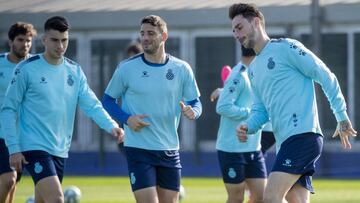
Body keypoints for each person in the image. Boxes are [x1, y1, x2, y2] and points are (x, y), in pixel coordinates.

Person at [230, 3, 357, 203]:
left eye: (239, 27)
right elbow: (261, 110)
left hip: (303, 135)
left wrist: (341, 115)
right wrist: (249, 126)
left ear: (256, 22)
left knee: (271, 196)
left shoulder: (286, 47)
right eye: (233, 30)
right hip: (285, 142)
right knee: (295, 199)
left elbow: (325, 76)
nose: (236, 35)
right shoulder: (253, 70)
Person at [0, 16, 124, 203]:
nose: (60, 45)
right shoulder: (26, 69)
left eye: (64, 40)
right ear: (44, 40)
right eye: (55, 40)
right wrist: (14, 148)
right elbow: (8, 109)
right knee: (57, 199)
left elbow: (91, 104)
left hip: (59, 148)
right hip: (33, 146)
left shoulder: (74, 71)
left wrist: (111, 125)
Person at [102, 15, 202, 203]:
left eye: (151, 33)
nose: (145, 38)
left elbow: (196, 103)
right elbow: (107, 100)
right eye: (142, 33)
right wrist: (127, 119)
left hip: (169, 149)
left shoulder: (182, 68)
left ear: (164, 36)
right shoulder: (126, 68)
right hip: (138, 149)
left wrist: (193, 111)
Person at [215, 45, 267, 203]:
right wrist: (251, 113)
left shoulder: (255, 74)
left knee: (260, 197)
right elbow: (222, 106)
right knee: (236, 198)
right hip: (232, 148)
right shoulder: (238, 75)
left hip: (253, 147)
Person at [0, 22, 37, 203]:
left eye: (28, 41)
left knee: (12, 185)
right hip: (2, 133)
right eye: (21, 40)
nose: (25, 44)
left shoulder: (36, 66)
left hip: (25, 134)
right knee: (9, 179)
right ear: (11, 42)